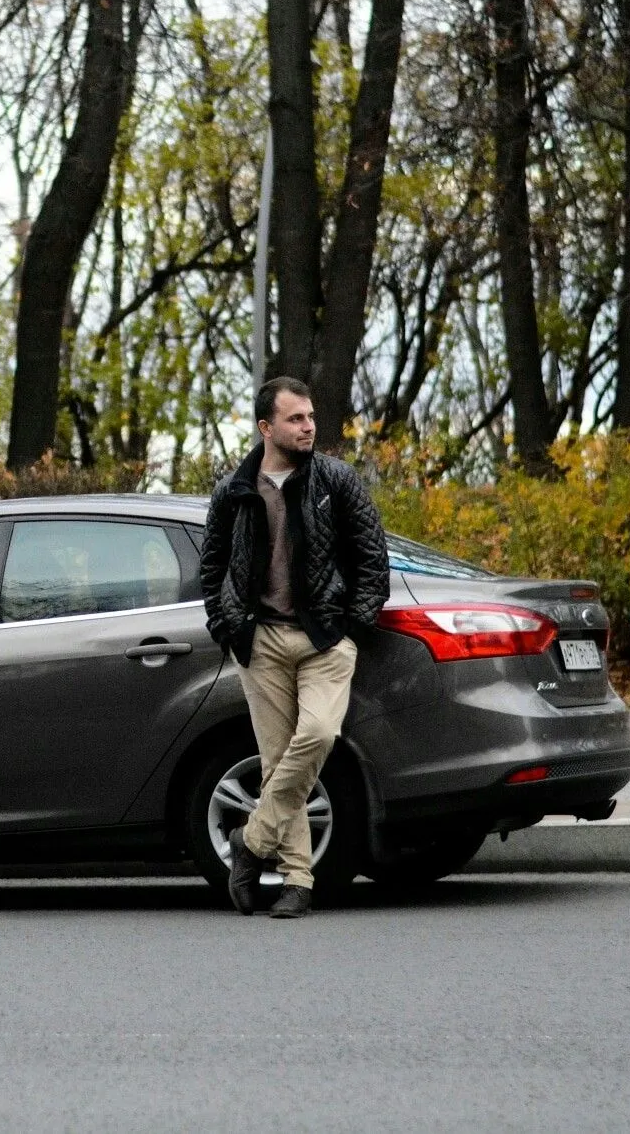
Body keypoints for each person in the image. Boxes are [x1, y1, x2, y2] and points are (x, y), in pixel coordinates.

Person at [199, 377, 389, 919]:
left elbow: (372, 558)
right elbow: (212, 568)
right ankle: (297, 883)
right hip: (260, 640)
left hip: (324, 638)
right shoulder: (233, 489)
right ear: (266, 428)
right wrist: (227, 624)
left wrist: (353, 621)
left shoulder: (335, 480)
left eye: (310, 417)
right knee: (279, 760)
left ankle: (251, 842)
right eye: (295, 419)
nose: (308, 426)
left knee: (318, 735)